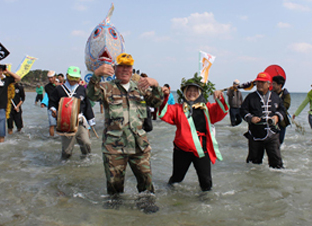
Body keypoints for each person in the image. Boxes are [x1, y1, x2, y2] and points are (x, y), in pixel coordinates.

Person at [87, 53, 163, 213]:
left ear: (131, 69)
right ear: (115, 68)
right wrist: (96, 74)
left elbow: (157, 102)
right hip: (114, 149)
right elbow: (92, 95)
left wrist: (155, 84)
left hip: (139, 147)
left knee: (146, 184)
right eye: (121, 66)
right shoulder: (107, 88)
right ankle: (116, 218)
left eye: (128, 66)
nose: (124, 69)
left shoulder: (140, 89)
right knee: (114, 192)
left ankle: (146, 213)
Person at [158, 75, 228, 191]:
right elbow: (163, 113)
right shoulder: (178, 108)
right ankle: (170, 195)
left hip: (202, 150)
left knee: (206, 182)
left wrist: (220, 97)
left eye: (195, 91)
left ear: (199, 93)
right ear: (184, 93)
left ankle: (206, 204)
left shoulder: (207, 109)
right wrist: (165, 95)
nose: (191, 93)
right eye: (189, 90)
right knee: (177, 178)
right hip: (182, 150)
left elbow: (222, 111)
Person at [240, 72, 285, 169]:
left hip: (272, 134)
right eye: (258, 82)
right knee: (253, 165)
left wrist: (277, 117)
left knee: (277, 165)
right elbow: (243, 111)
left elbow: (282, 110)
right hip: (256, 135)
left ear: (269, 84)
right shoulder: (250, 97)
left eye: (262, 82)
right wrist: (250, 118)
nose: (259, 84)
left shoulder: (275, 96)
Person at [49, 66, 96, 160]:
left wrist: (91, 122)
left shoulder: (82, 89)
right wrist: (53, 109)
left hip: (80, 122)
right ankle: (64, 163)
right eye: (71, 77)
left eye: (76, 78)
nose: (73, 80)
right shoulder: (59, 89)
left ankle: (85, 160)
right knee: (67, 151)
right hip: (66, 123)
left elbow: (87, 106)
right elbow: (52, 101)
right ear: (67, 76)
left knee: (86, 143)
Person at [271, 75, 291, 144]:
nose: (272, 85)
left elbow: (286, 105)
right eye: (272, 83)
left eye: (274, 84)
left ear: (280, 85)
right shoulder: (270, 94)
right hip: (271, 120)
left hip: (281, 120)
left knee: (280, 141)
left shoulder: (286, 95)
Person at [45, 70, 57, 137]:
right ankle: (52, 138)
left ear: (55, 77)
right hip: (51, 107)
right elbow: (52, 95)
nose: (50, 79)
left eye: (52, 77)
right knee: (52, 124)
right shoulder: (47, 87)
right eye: (49, 78)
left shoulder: (61, 85)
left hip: (60, 106)